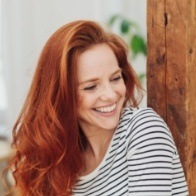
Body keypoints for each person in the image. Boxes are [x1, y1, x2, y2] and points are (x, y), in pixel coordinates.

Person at [5, 20, 189, 196]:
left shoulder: (144, 131)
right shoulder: (62, 157)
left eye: (116, 78)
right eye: (91, 87)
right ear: (60, 95)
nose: (110, 95)